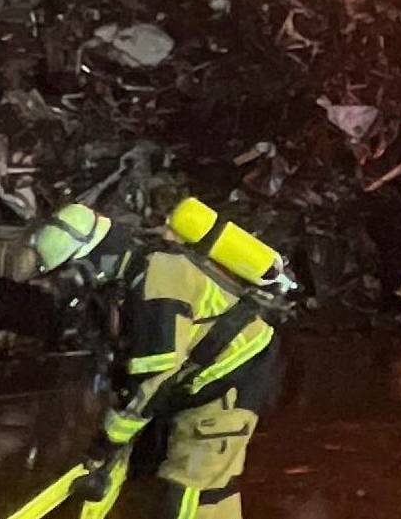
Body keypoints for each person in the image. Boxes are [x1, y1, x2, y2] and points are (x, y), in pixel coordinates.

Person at [30, 203, 280, 518]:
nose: (64, 286)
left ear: (92, 262)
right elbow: (133, 370)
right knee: (215, 483)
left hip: (232, 374)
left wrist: (108, 441)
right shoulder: (135, 277)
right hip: (213, 373)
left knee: (190, 484)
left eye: (66, 273)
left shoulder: (157, 282)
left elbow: (154, 375)